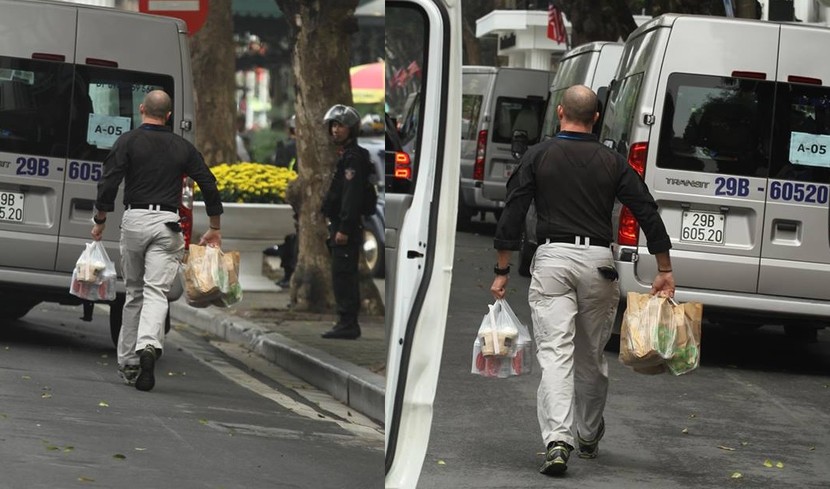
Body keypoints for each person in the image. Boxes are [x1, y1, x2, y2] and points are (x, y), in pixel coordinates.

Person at [490, 85, 675, 475]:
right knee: (590, 355)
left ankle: (558, 439)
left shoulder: (538, 156)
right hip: (598, 263)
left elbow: (514, 209)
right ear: (596, 118)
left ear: (560, 112)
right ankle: (588, 433)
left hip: (553, 259)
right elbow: (645, 208)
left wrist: (502, 270)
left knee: (555, 353)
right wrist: (663, 268)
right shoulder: (613, 161)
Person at [92, 90, 224, 392]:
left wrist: (100, 220)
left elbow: (109, 181)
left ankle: (128, 362)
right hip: (167, 225)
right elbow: (208, 183)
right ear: (168, 115)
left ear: (142, 110)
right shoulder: (183, 147)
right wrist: (214, 225)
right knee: (155, 292)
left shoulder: (127, 141)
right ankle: (149, 345)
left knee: (134, 292)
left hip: (135, 220)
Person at [320, 104, 371, 340]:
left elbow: (351, 196)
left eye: (340, 126)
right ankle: (345, 321)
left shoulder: (353, 158)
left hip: (346, 229)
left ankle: (348, 323)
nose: (335, 130)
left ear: (351, 129)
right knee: (340, 274)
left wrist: (344, 228)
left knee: (344, 275)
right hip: (340, 226)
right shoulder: (347, 156)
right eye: (333, 126)